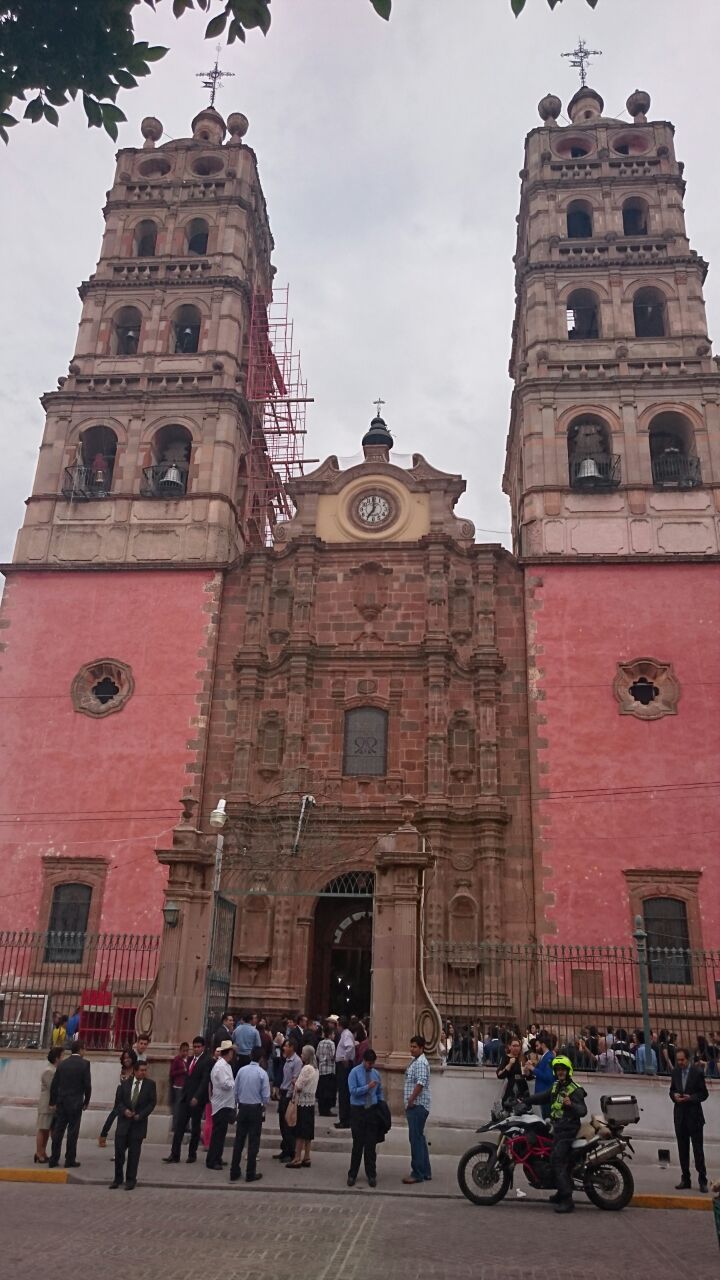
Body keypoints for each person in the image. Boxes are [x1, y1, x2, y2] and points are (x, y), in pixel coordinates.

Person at [531, 1054, 587, 1214]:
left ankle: (567, 1200)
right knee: (550, 1155)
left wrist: (571, 1104)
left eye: (563, 1069)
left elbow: (583, 1111)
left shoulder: (575, 1089)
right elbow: (543, 1097)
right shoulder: (557, 1086)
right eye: (558, 1069)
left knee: (557, 1159)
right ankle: (560, 1191)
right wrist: (525, 1100)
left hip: (568, 1129)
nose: (560, 1072)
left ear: (568, 1071)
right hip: (558, 1127)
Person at [163, 1035, 212, 1164]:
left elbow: (204, 1080)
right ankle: (175, 1154)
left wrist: (197, 1096)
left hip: (197, 1099)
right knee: (179, 1126)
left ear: (203, 1047)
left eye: (198, 1047)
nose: (196, 1049)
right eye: (194, 1047)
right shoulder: (190, 1060)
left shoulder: (207, 1061)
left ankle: (192, 1154)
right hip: (185, 1097)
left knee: (195, 1127)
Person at [109, 1059, 157, 1190]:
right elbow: (118, 1102)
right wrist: (125, 1111)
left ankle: (131, 1180)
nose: (143, 1072)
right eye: (141, 1070)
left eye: (145, 1070)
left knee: (134, 1155)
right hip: (123, 1125)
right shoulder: (124, 1084)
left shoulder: (150, 1085)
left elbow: (152, 1103)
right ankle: (117, 1179)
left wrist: (140, 1115)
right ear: (135, 1071)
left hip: (138, 1125)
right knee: (119, 1153)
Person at [669, 1046, 708, 1192]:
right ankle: (685, 1178)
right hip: (680, 1116)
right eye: (678, 1060)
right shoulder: (675, 1072)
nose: (680, 1062)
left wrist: (690, 1098)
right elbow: (672, 1090)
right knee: (682, 1149)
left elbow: (704, 1094)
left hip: (694, 1116)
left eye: (682, 1060)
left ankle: (702, 1180)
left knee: (698, 1150)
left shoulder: (697, 1073)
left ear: (688, 1059)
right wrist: (674, 1096)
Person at [48, 1039, 91, 1168]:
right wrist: (86, 1101)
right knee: (73, 1131)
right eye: (84, 1049)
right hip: (76, 1102)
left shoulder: (62, 1064)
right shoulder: (85, 1064)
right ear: (81, 1049)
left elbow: (55, 1084)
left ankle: (54, 1158)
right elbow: (87, 1085)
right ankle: (69, 1159)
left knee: (58, 1130)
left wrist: (52, 1101)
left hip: (62, 1101)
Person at [230, 1045, 270, 1182]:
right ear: (261, 1058)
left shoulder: (242, 1071)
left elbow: (235, 1090)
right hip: (255, 1108)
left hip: (243, 1107)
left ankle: (234, 1170)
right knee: (253, 1142)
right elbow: (266, 1096)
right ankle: (250, 1172)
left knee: (239, 1140)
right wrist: (263, 1106)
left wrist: (237, 1103)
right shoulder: (262, 1073)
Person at [347, 1047, 384, 1187]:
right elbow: (353, 1091)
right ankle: (352, 1174)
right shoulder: (354, 1072)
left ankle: (371, 1174)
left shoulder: (376, 1074)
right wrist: (367, 1087)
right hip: (358, 1110)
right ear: (364, 1061)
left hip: (372, 1111)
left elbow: (379, 1091)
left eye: (373, 1063)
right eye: (369, 1063)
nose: (371, 1066)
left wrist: (380, 1103)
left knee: (370, 1146)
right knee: (357, 1144)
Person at [402, 1034, 432, 1185]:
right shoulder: (416, 1061)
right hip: (418, 1105)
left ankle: (417, 1173)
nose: (411, 1049)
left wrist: (411, 1100)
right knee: (419, 1139)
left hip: (417, 1106)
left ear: (421, 1048)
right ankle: (425, 1171)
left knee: (415, 1139)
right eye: (411, 1046)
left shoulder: (420, 1063)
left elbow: (420, 1082)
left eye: (414, 1047)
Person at [287, 1045, 319, 1168]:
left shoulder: (306, 1068)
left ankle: (297, 1158)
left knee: (300, 1132)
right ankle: (307, 1156)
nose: (301, 1055)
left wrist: (294, 1082)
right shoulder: (316, 1069)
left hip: (302, 1102)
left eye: (303, 1053)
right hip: (311, 1102)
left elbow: (299, 1086)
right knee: (308, 1132)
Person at [206, 1040, 236, 1170]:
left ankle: (217, 1157)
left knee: (221, 1133)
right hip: (221, 1104)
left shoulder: (225, 1065)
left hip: (226, 1103)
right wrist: (235, 1084)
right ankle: (212, 1160)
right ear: (228, 1052)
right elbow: (225, 1084)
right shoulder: (221, 1066)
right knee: (218, 1134)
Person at [99, 1049, 137, 1146]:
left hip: (131, 1095)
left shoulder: (135, 1070)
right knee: (114, 1114)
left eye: (129, 1058)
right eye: (125, 1058)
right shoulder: (123, 1069)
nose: (126, 1060)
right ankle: (103, 1135)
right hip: (120, 1093)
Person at [274, 1037, 302, 1164]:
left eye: (286, 1046)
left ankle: (290, 1152)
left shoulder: (297, 1061)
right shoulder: (286, 1060)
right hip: (283, 1091)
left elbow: (295, 1079)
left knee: (288, 1124)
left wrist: (289, 1095)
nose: (284, 1048)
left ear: (292, 1048)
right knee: (282, 1122)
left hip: (289, 1094)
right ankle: (284, 1149)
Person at [35, 1046, 64, 1163]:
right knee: (43, 1129)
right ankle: (38, 1153)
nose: (63, 1058)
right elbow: (53, 1087)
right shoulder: (49, 1071)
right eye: (62, 1056)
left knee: (47, 1130)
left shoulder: (54, 1070)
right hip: (46, 1105)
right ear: (57, 1058)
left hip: (51, 1105)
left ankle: (43, 1152)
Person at [496, 1036, 531, 1109]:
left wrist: (528, 1070)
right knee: (509, 1107)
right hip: (511, 1088)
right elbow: (500, 1075)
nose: (516, 1048)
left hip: (522, 1087)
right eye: (514, 1046)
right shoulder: (506, 1058)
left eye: (518, 1046)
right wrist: (509, 1064)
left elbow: (529, 1076)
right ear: (509, 1047)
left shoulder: (523, 1058)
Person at [334, 1015, 356, 1130]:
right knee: (343, 1092)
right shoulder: (345, 1034)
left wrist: (345, 1058)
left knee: (343, 1092)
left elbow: (350, 1046)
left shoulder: (346, 1034)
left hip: (344, 1065)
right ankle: (344, 1118)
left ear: (340, 1025)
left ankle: (345, 1119)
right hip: (342, 1064)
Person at [529, 1032, 557, 1117]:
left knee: (547, 1117)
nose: (536, 1048)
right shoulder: (545, 1056)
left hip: (546, 1093)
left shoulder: (549, 1057)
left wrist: (533, 1069)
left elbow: (548, 1077)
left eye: (538, 1045)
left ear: (543, 1045)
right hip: (543, 1093)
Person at [316, 1022, 337, 1116]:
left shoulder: (320, 1043)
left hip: (321, 1069)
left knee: (322, 1091)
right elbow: (333, 1055)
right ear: (330, 1034)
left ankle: (321, 1109)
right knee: (328, 1091)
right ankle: (327, 1110)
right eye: (333, 1034)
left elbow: (317, 1054)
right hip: (329, 1069)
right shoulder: (331, 1043)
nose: (334, 1035)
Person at [169, 1041, 190, 1129]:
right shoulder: (177, 1060)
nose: (185, 1053)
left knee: (186, 1107)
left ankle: (185, 1126)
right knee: (177, 1107)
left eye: (187, 1051)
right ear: (180, 1051)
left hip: (186, 1086)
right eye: (183, 1051)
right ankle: (176, 1125)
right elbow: (172, 1073)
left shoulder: (189, 1060)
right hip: (178, 1086)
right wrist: (182, 1071)